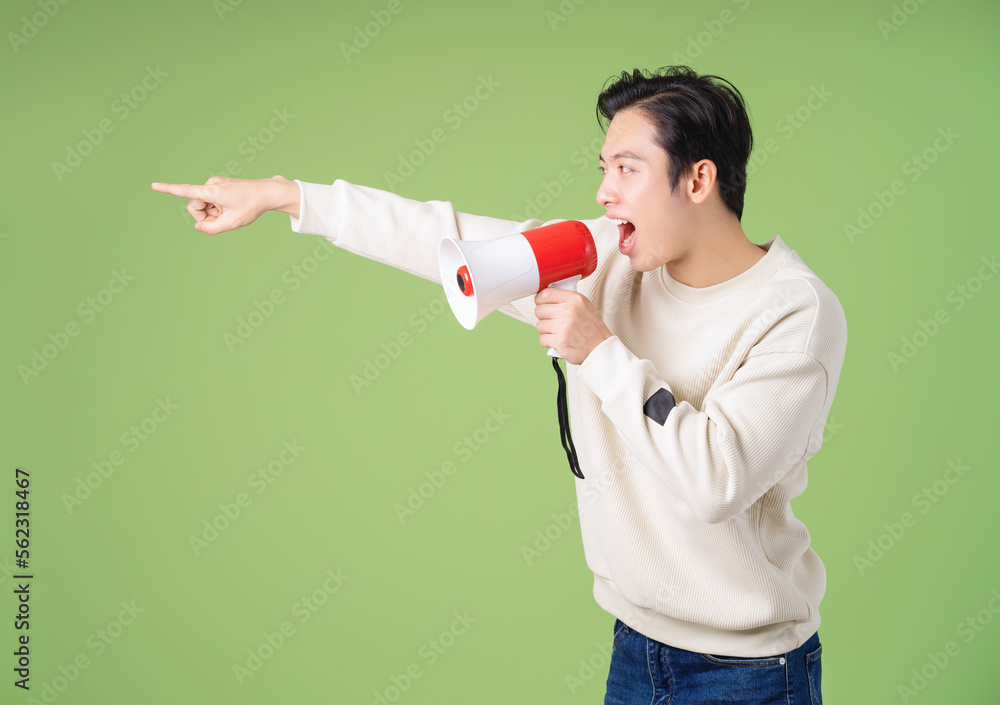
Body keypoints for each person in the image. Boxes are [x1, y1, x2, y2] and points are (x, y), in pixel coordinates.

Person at [152, 65, 845, 704]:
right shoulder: (604, 256)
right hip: (636, 647)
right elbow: (440, 235)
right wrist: (285, 196)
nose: (604, 192)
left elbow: (716, 479)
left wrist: (598, 350)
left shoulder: (792, 311)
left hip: (748, 673)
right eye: (603, 168)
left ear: (697, 180)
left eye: (627, 169)